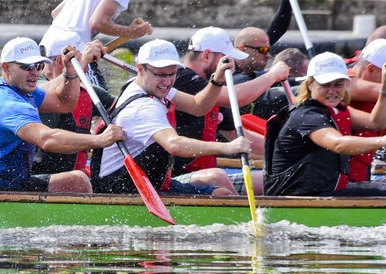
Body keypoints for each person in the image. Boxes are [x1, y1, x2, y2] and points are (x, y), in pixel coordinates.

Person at [0, 37, 124, 193]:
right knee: (78, 181)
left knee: (76, 181)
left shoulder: (23, 92)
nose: (34, 72)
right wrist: (100, 140)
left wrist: (70, 72)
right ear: (6, 67)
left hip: (7, 182)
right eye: (26, 66)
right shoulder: (9, 103)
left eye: (38, 66)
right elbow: (46, 139)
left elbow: (64, 103)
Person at [91, 39, 251, 196]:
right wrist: (227, 147)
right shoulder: (144, 107)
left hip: (143, 182)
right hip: (121, 188)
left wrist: (217, 81)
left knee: (220, 192)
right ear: (140, 69)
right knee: (221, 195)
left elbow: (198, 106)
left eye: (172, 74)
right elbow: (174, 144)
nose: (167, 82)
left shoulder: (141, 84)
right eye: (161, 74)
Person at [173, 26, 290, 193]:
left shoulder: (212, 89)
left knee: (277, 180)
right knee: (217, 177)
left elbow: (236, 135)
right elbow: (236, 97)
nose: (232, 65)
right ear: (207, 55)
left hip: (203, 174)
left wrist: (285, 150)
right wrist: (273, 75)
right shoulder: (180, 77)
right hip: (177, 179)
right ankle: (241, 210)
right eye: (226, 59)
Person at [265, 51, 386, 196]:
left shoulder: (335, 110)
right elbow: (338, 144)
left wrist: (384, 89)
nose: (332, 91)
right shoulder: (308, 116)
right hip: (302, 196)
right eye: (325, 85)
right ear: (310, 84)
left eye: (338, 84)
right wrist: (382, 141)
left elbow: (376, 123)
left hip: (325, 190)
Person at [32, 31, 113, 175]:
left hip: (76, 177)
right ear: (60, 61)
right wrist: (80, 64)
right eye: (82, 63)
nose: (86, 69)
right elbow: (39, 94)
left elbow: (126, 107)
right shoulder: (31, 84)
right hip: (35, 176)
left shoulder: (90, 91)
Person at [346, 39, 386, 181]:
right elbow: (350, 86)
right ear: (370, 69)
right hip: (337, 180)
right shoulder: (337, 84)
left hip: (361, 177)